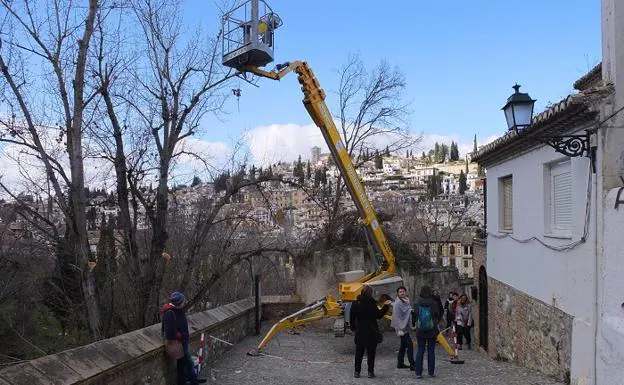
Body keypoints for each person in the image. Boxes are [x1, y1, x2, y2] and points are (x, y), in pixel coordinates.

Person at [162, 291, 205, 385]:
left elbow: (180, 323)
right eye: (183, 301)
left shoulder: (177, 309)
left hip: (183, 341)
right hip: (179, 343)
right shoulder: (169, 312)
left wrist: (188, 329)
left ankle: (182, 381)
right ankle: (194, 382)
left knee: (181, 364)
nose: (184, 302)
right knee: (189, 362)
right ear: (178, 302)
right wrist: (181, 335)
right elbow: (169, 332)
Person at [350, 285, 391, 379]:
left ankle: (357, 371)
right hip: (371, 331)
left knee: (359, 353)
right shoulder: (372, 304)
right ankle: (370, 372)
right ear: (370, 294)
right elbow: (379, 315)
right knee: (371, 353)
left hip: (360, 331)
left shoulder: (355, 303)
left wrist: (353, 328)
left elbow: (352, 317)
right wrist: (385, 307)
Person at [413, 285, 441, 379]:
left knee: (420, 350)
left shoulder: (417, 303)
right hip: (432, 330)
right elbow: (438, 315)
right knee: (431, 351)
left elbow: (415, 316)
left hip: (420, 330)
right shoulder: (434, 303)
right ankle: (431, 372)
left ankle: (418, 373)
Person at [390, 286, 415, 370]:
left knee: (403, 345)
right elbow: (396, 316)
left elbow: (407, 310)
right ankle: (412, 364)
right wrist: (410, 310)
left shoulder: (406, 301)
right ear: (398, 293)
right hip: (401, 328)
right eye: (400, 292)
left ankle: (400, 363)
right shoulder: (398, 303)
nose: (402, 293)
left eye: (403, 291)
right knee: (409, 344)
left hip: (405, 327)